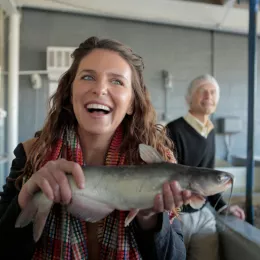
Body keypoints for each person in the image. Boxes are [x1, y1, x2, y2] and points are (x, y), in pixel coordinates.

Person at [0, 36, 191, 260]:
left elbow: (175, 257)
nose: (100, 89)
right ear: (70, 93)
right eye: (88, 77)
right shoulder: (31, 154)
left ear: (131, 103)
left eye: (117, 81)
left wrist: (150, 217)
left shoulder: (159, 165)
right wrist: (25, 198)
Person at [166, 74, 245, 260]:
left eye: (213, 92)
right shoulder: (173, 130)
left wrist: (223, 207)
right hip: (176, 216)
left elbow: (208, 178)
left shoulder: (210, 131)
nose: (208, 96)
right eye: (202, 91)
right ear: (189, 98)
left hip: (202, 213)